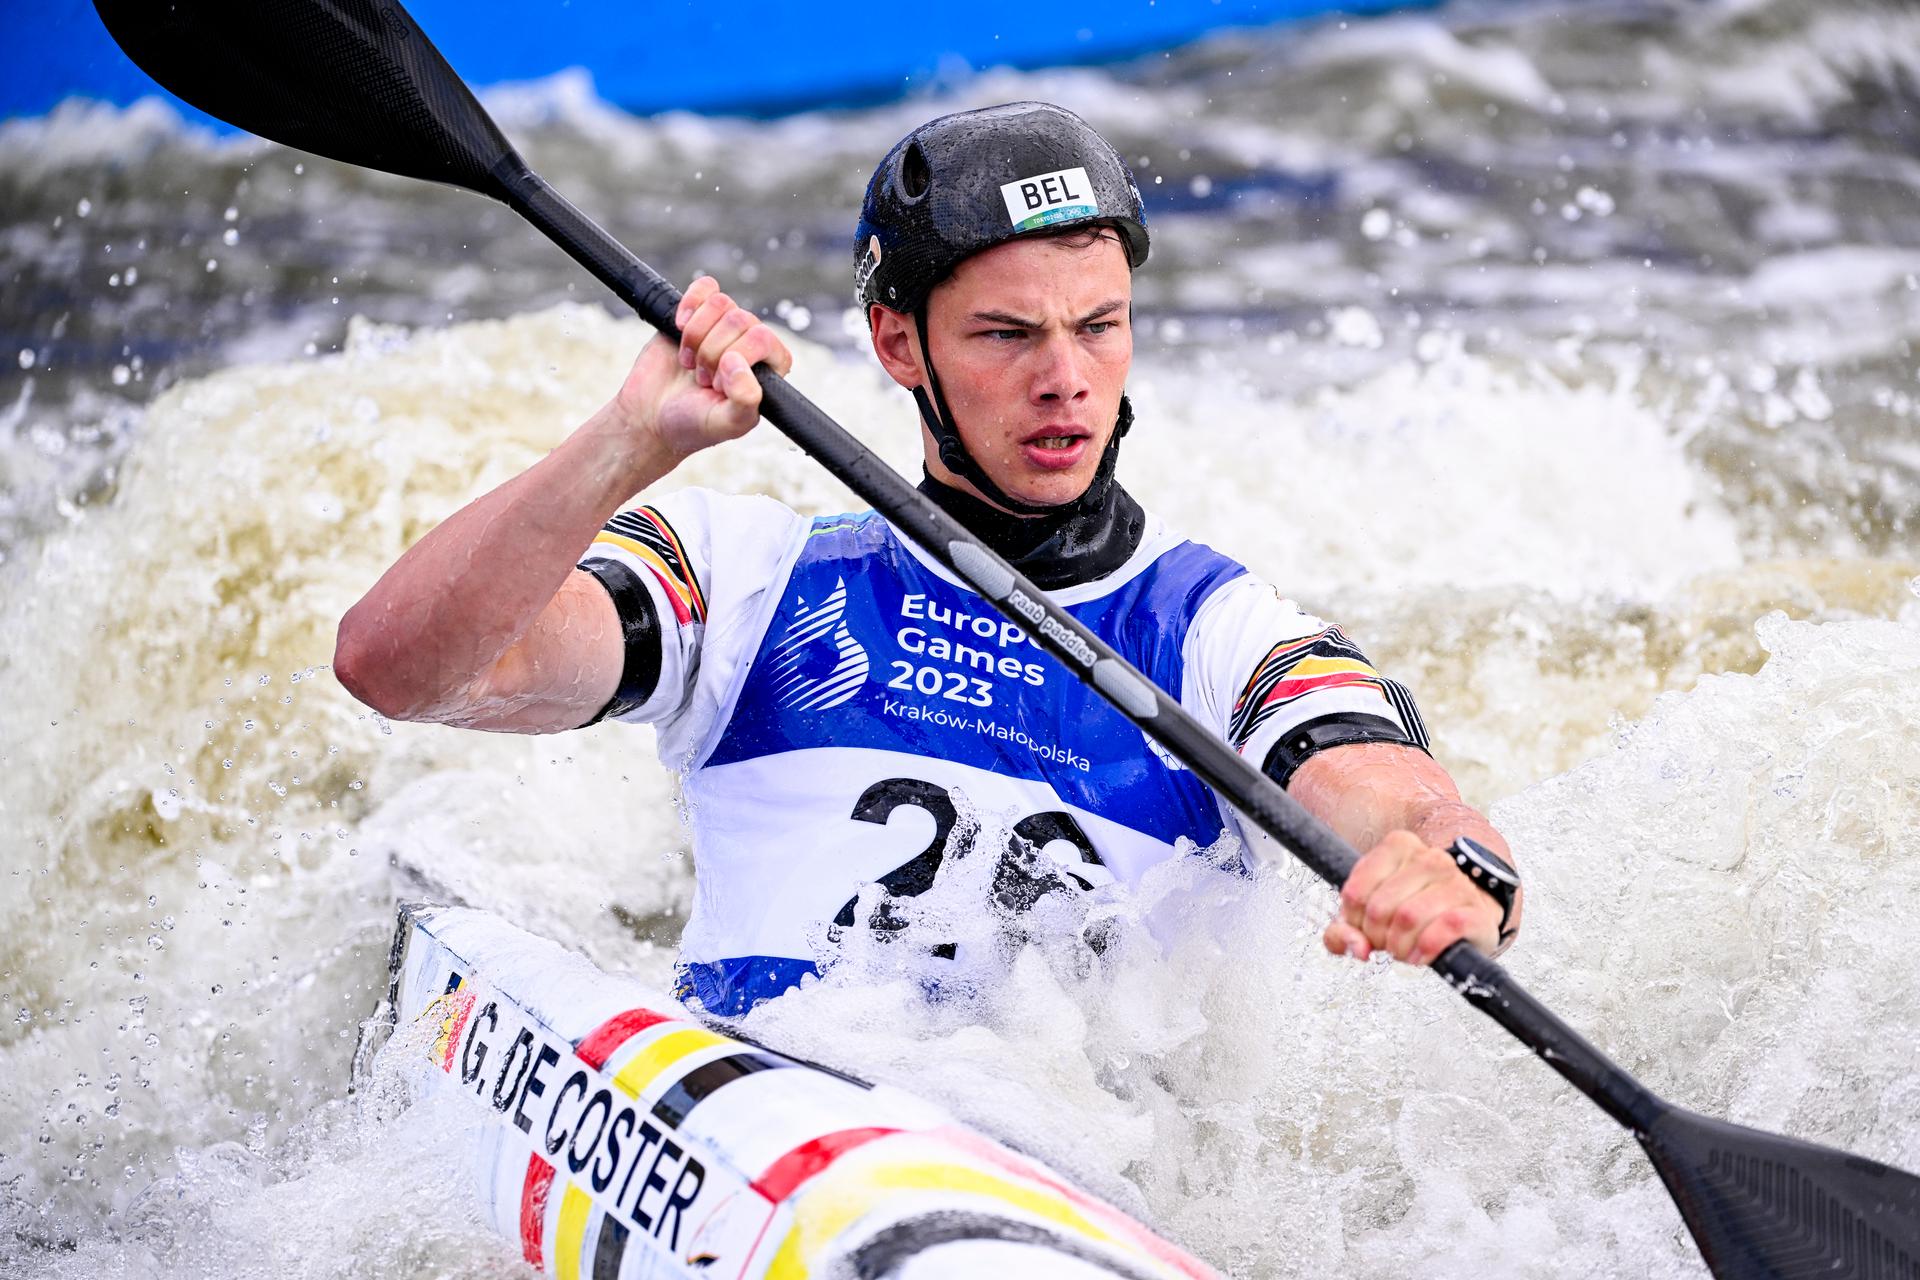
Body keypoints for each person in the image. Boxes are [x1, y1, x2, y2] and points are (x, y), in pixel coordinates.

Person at [334, 101, 1523, 1018]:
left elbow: (1401, 795)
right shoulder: (742, 580)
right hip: (765, 1140)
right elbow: (402, 668)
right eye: (1008, 334)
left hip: (1067, 1186)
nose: (1065, 377)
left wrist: (1441, 863)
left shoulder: (1218, 629)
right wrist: (623, 445)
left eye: (1098, 326)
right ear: (899, 343)